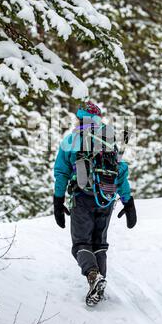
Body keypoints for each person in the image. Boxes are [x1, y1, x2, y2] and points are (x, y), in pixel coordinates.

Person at [53, 102, 137, 306]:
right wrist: (128, 201)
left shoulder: (71, 140)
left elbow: (62, 172)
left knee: (81, 243)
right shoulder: (109, 141)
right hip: (106, 198)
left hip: (82, 198)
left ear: (79, 118)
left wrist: (58, 200)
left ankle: (93, 276)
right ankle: (99, 283)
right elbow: (120, 172)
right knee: (99, 244)